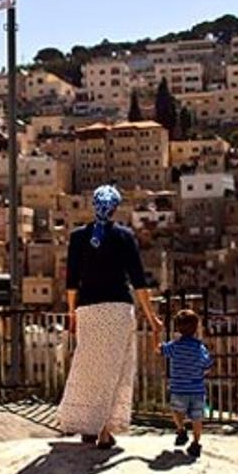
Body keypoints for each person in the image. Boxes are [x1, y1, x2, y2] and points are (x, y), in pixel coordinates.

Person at [57, 184, 162, 449]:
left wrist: (72, 314)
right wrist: (151, 318)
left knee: (89, 368)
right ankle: (103, 429)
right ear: (114, 209)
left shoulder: (78, 237)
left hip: (88, 310)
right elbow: (139, 283)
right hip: (117, 311)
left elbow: (71, 282)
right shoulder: (125, 237)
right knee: (114, 371)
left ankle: (88, 425)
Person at [159, 308, 213, 458]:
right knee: (197, 417)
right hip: (197, 389)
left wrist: (156, 332)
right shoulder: (199, 347)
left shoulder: (174, 346)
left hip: (178, 388)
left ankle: (181, 429)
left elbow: (160, 350)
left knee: (176, 410)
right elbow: (208, 364)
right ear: (196, 328)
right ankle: (196, 443)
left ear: (177, 328)